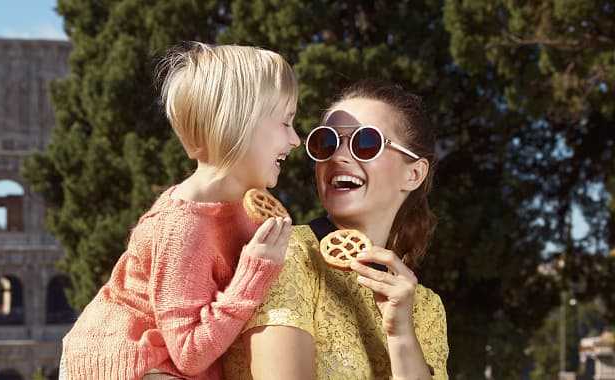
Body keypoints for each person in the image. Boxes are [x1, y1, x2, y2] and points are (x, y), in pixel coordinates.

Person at [59, 42, 301, 380]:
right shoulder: (183, 224)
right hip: (133, 365)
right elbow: (189, 353)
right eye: (286, 122)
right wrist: (255, 272)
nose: (296, 140)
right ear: (237, 124)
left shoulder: (242, 207)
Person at [223, 80, 449, 379]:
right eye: (326, 142)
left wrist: (402, 335)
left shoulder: (427, 308)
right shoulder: (284, 252)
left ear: (414, 174)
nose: (338, 156)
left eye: (366, 142)